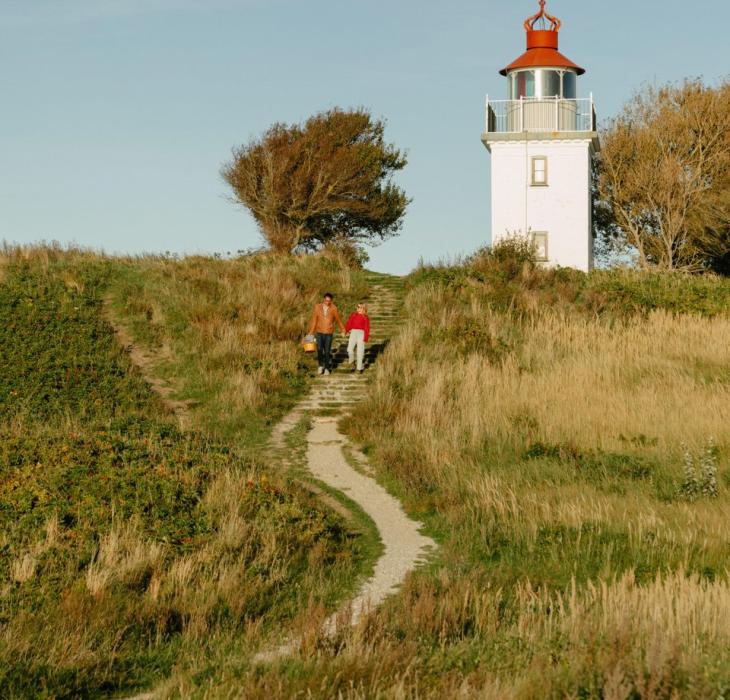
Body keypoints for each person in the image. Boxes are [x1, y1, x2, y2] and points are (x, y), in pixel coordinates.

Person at [307, 292, 346, 376]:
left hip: (329, 333)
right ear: (323, 299)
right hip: (319, 332)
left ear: (331, 301)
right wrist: (310, 333)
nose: (327, 302)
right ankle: (321, 366)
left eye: (329, 301)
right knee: (320, 350)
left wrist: (343, 330)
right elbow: (314, 320)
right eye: (326, 300)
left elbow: (338, 320)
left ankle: (327, 368)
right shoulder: (317, 307)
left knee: (327, 351)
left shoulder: (334, 308)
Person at [345, 303, 370, 373]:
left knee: (360, 351)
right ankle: (352, 362)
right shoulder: (353, 315)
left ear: (364, 309)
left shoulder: (365, 317)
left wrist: (366, 337)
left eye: (361, 307)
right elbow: (349, 323)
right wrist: (346, 330)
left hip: (361, 333)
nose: (359, 309)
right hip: (353, 332)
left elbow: (367, 328)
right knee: (349, 349)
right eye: (358, 307)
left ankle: (359, 368)